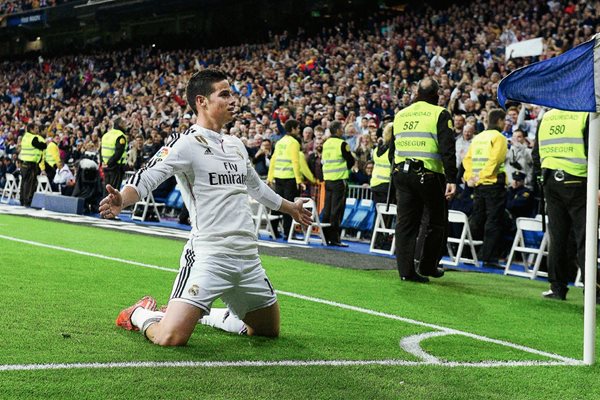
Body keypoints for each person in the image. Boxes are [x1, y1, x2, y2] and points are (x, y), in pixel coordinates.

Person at [99, 69, 312, 346]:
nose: (233, 100)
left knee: (266, 331)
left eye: (231, 94)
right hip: (209, 256)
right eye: (224, 94)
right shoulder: (186, 143)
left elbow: (257, 188)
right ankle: (140, 313)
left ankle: (204, 315)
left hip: (248, 258)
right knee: (170, 337)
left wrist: (291, 208)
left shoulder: (236, 145)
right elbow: (148, 175)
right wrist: (123, 199)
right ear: (201, 101)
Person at [389, 77, 457, 282]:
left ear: (417, 93)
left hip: (401, 173)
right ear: (436, 95)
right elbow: (447, 150)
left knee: (405, 224)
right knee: (436, 222)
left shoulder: (401, 114)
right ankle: (427, 266)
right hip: (428, 175)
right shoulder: (440, 113)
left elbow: (392, 149)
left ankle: (406, 272)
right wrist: (452, 179)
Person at [532, 109, 597, 301]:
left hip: (550, 181)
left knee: (558, 236)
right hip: (579, 180)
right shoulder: (585, 114)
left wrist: (540, 179)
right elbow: (595, 150)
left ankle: (557, 287)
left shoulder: (546, 117)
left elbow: (536, 154)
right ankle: (592, 289)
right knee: (586, 237)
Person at [462, 109, 508, 265]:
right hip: (493, 184)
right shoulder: (499, 137)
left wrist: (470, 177)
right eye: (504, 120)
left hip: (478, 185)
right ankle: (488, 257)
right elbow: (495, 161)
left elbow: (467, 159)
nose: (505, 124)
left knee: (476, 219)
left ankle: (467, 254)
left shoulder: (478, 137)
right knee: (493, 221)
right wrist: (481, 176)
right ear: (499, 120)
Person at [267, 119, 304, 239]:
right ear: (293, 128)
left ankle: (273, 231)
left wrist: (270, 177)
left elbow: (273, 160)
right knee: (289, 206)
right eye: (298, 128)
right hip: (289, 178)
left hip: (278, 177)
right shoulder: (294, 142)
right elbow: (295, 161)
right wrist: (299, 180)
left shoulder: (280, 142)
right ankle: (288, 233)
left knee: (277, 204)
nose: (299, 130)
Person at [321, 120, 355, 247]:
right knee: (337, 210)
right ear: (337, 130)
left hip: (328, 180)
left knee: (327, 209)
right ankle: (335, 238)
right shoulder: (342, 143)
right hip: (339, 180)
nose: (343, 131)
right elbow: (350, 161)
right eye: (341, 129)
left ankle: (325, 236)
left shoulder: (326, 143)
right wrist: (347, 168)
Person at [18, 123, 47, 207]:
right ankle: (27, 202)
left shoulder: (25, 137)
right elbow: (43, 146)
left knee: (23, 183)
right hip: (31, 165)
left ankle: (22, 200)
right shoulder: (34, 138)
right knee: (30, 185)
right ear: (31, 129)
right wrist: (44, 144)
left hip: (24, 163)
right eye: (36, 128)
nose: (37, 130)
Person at [101, 117, 128, 193]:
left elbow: (101, 150)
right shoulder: (120, 136)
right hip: (116, 166)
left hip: (106, 166)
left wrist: (104, 162)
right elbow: (118, 152)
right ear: (120, 124)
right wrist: (110, 163)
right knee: (113, 191)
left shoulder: (106, 134)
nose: (126, 125)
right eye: (125, 123)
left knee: (107, 189)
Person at [370, 123, 395, 205]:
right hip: (387, 185)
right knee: (387, 211)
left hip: (375, 183)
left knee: (378, 209)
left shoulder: (378, 147)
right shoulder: (393, 149)